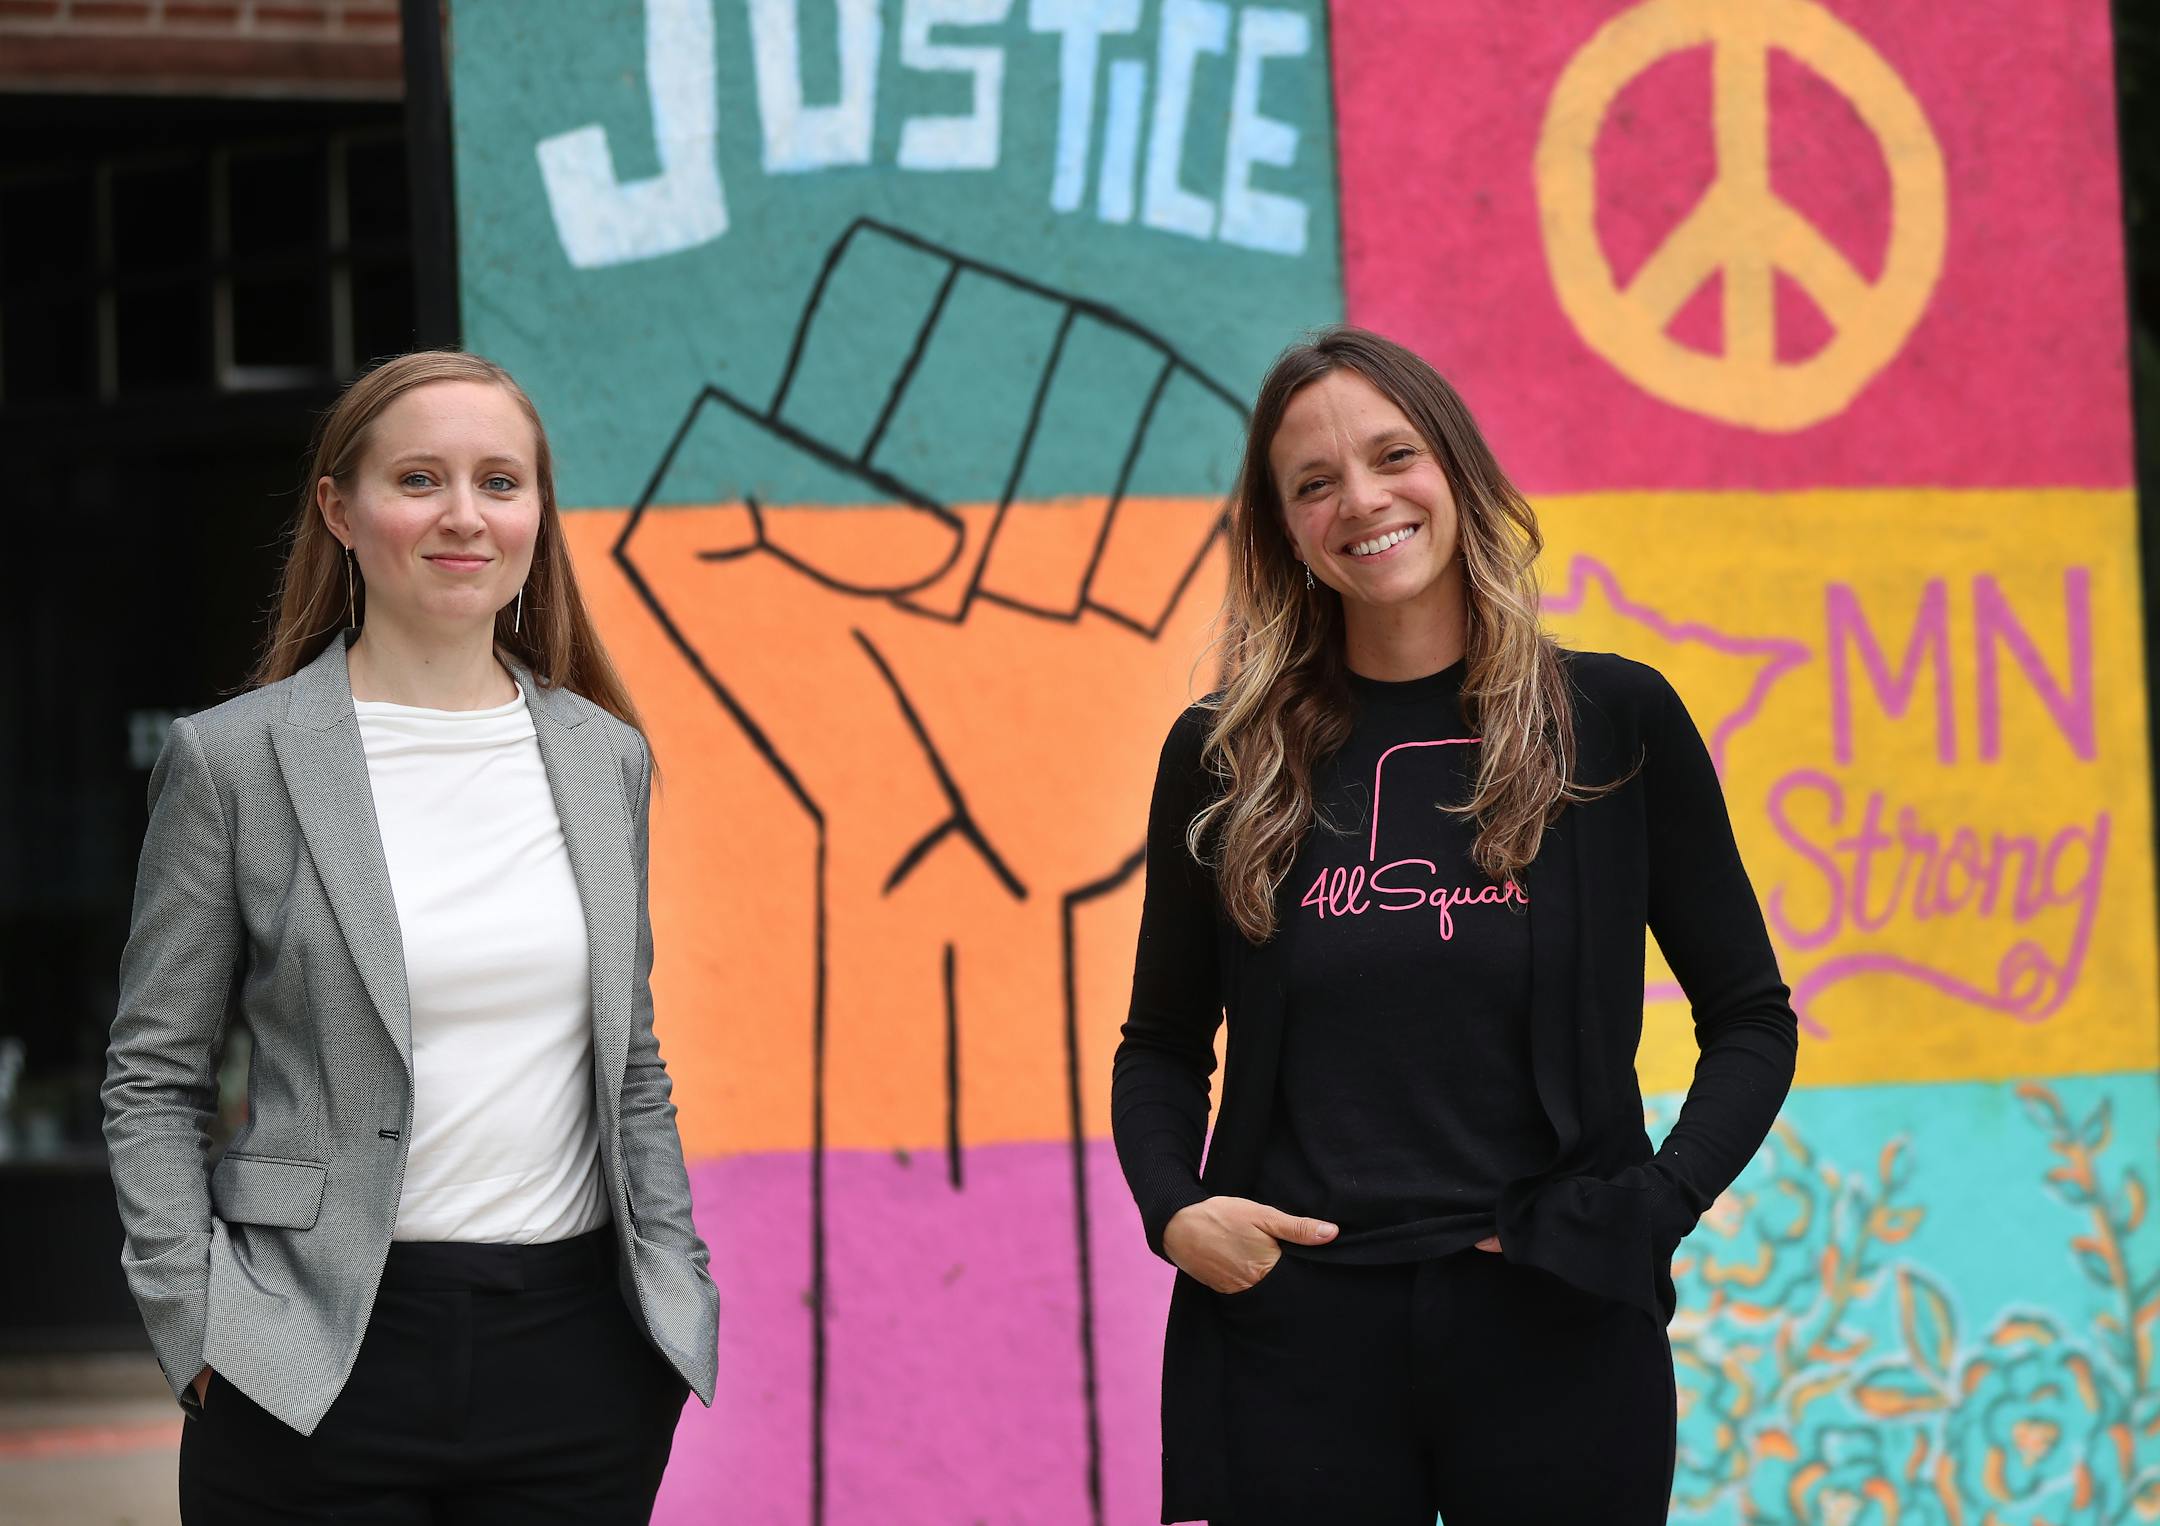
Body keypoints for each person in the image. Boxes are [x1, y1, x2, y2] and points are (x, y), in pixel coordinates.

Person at [1111, 326, 1798, 1525]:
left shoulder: (1611, 721)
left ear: (1457, 469)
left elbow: (1750, 1017)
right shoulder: (1225, 755)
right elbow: (1162, 1041)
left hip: (1557, 1320)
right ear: (1283, 529)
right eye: (1313, 483)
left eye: (1393, 456)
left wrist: (1653, 1201)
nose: (1362, 501)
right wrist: (1175, 1207)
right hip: (1293, 1333)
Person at [102, 351, 719, 1523]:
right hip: (307, 1353)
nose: (463, 516)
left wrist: (676, 1288)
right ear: (340, 509)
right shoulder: (233, 760)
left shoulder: (605, 757)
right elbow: (153, 1074)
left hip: (580, 1355)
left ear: (538, 510)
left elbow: (632, 1061)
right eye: (420, 478)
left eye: (500, 481)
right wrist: (195, 1319)